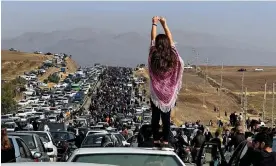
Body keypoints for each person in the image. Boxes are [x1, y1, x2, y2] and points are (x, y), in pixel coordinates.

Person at [148, 16, 184, 149]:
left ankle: (156, 139)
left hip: (156, 93)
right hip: (169, 94)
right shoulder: (173, 56)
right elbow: (170, 38)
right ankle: (165, 140)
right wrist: (165, 24)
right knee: (166, 117)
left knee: (155, 116)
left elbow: (152, 38)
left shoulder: (153, 55)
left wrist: (154, 24)